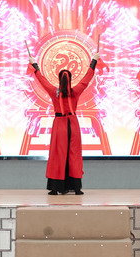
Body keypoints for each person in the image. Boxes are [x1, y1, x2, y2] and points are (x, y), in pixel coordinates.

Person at [31, 52, 99, 195]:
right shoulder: (75, 92)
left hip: (60, 126)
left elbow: (42, 80)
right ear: (70, 80)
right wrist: (94, 61)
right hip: (73, 125)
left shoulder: (54, 92)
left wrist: (34, 66)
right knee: (74, 155)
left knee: (58, 155)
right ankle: (76, 187)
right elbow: (86, 79)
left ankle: (56, 187)